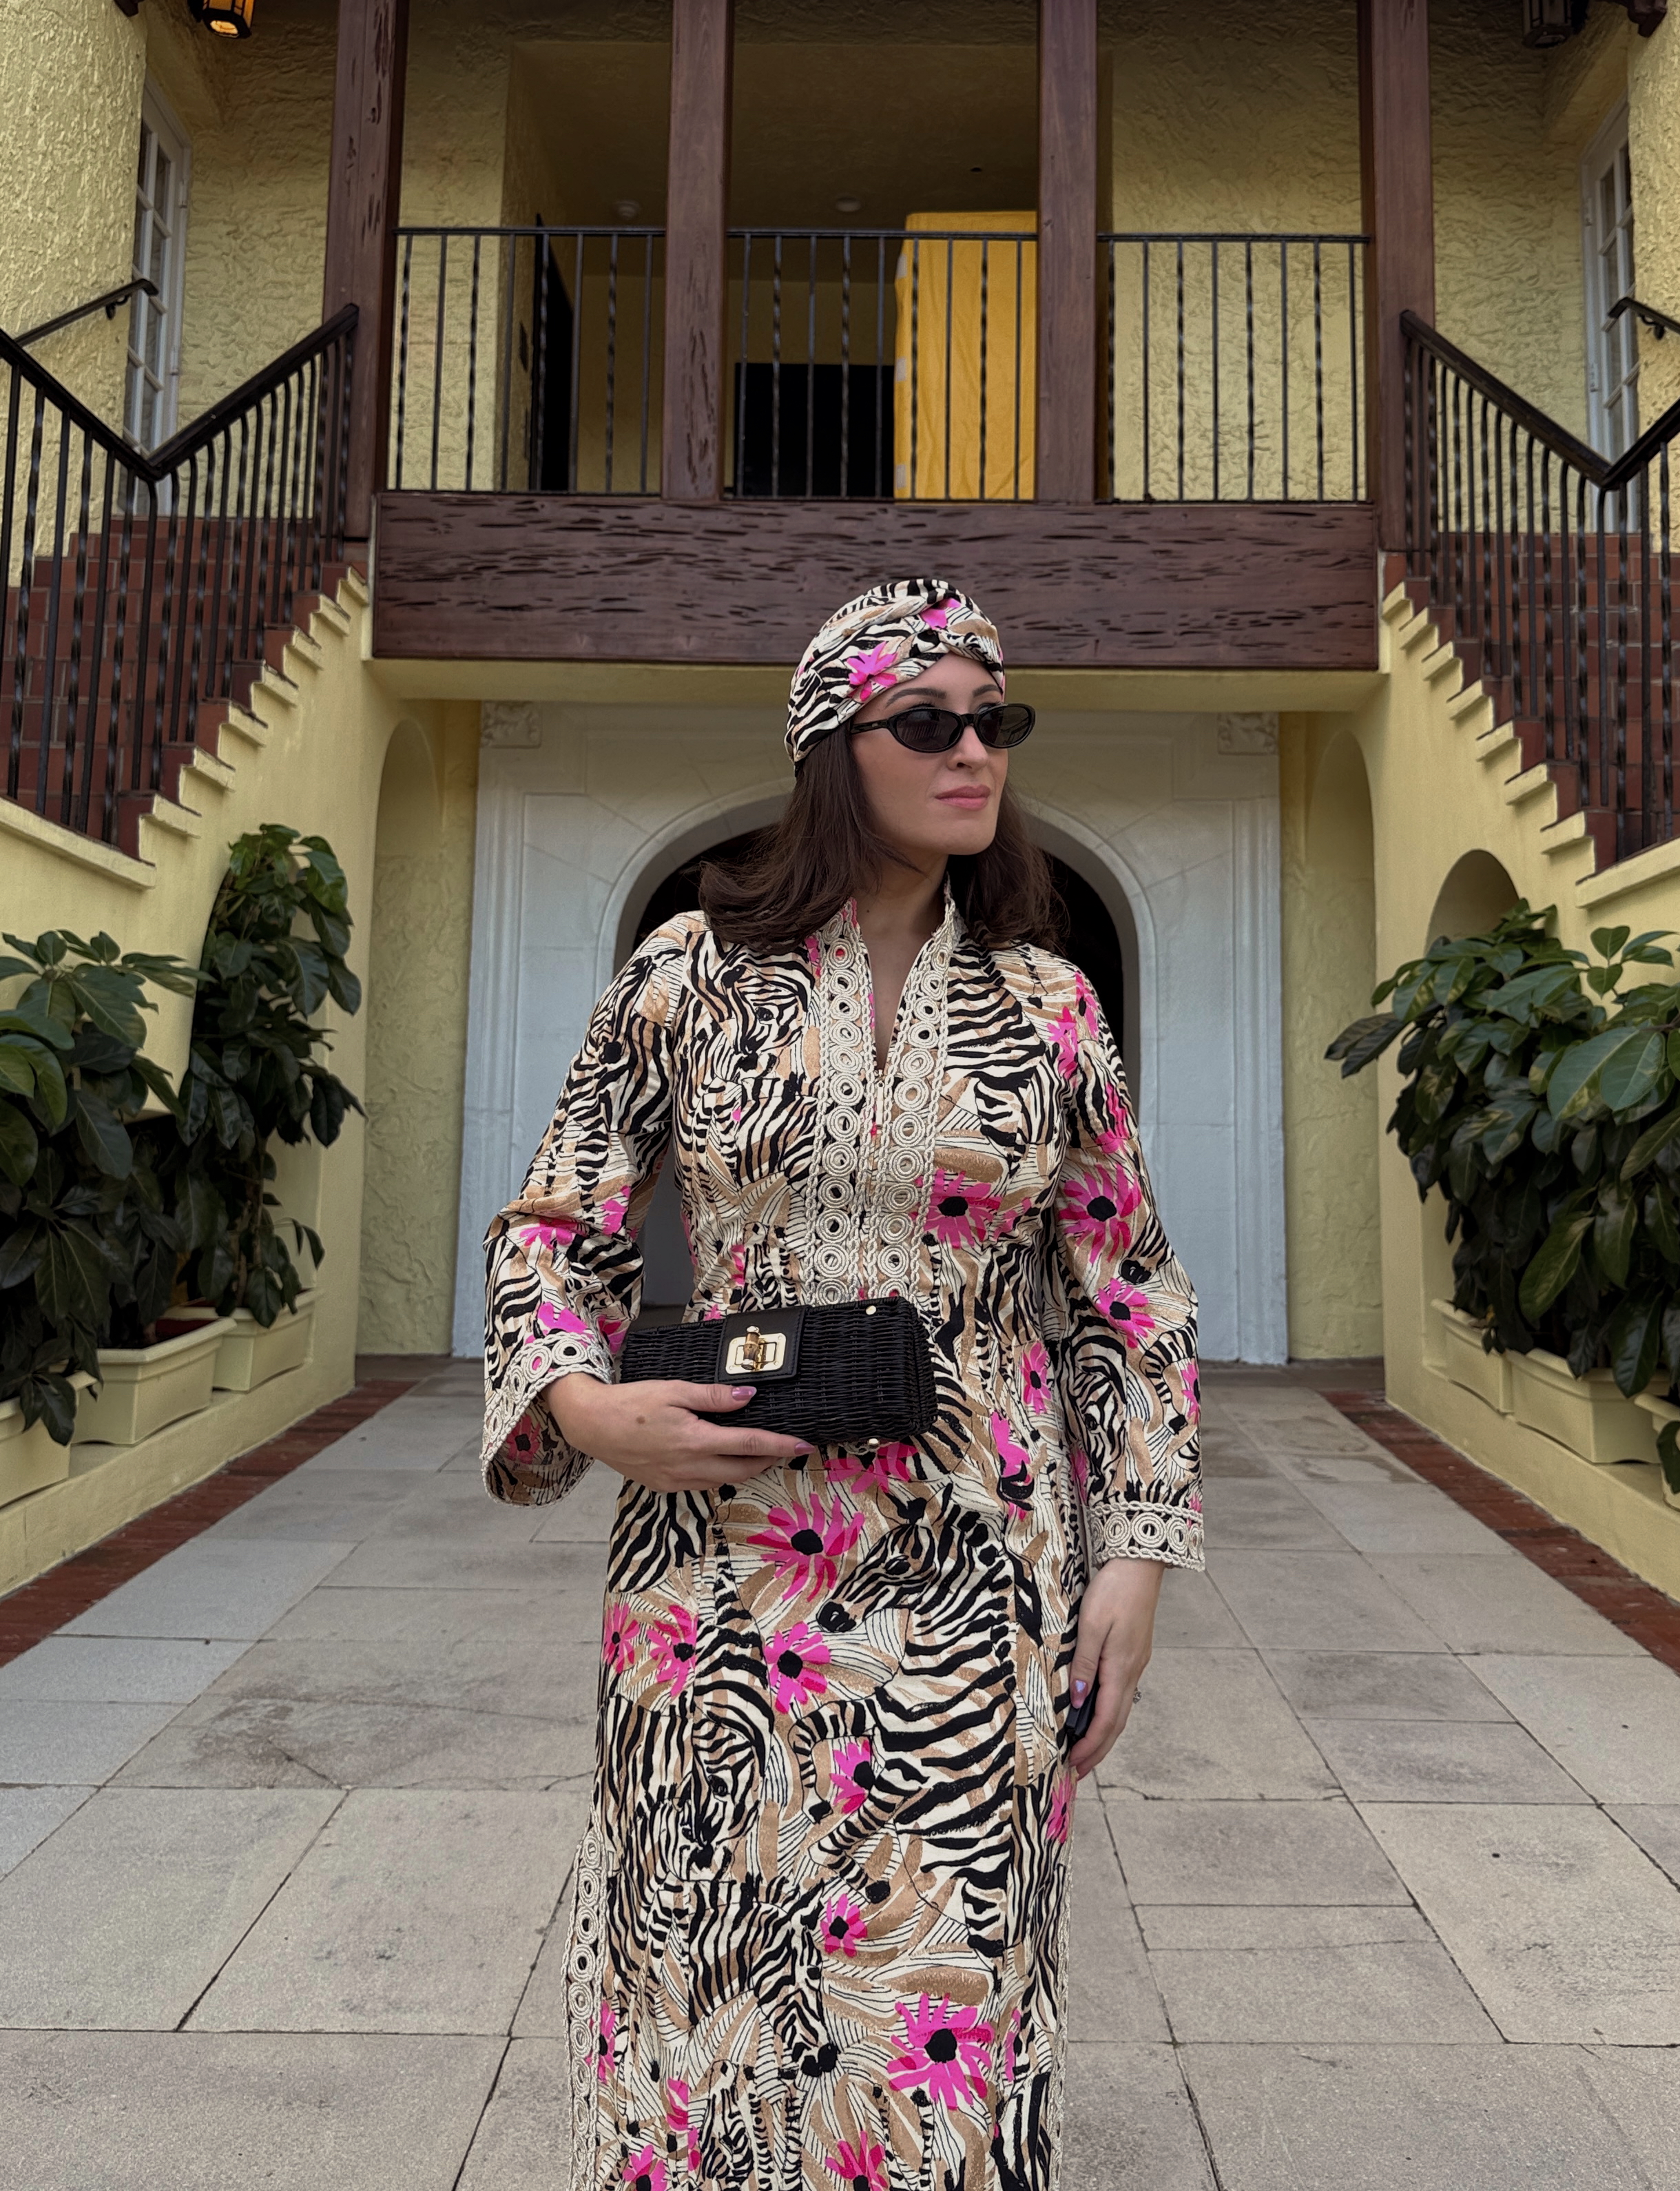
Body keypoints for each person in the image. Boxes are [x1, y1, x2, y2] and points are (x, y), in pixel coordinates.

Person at [481, 577, 1201, 2191]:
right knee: (706, 1939)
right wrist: (584, 1407)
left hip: (976, 1561)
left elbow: (1129, 1290)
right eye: (925, 721)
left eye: (994, 722)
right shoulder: (685, 975)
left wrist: (1136, 1553)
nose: (973, 752)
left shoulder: (1050, 1005)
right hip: (716, 1562)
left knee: (944, 1967)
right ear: (831, 744)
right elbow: (555, 1227)